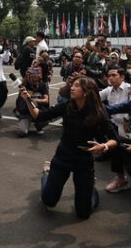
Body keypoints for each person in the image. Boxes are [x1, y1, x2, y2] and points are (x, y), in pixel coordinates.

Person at [21, 76, 119, 219]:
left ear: (86, 92)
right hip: (63, 155)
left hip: (84, 159)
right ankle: (47, 174)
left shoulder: (98, 112)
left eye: (77, 86)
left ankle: (90, 189)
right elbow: (38, 115)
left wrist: (103, 146)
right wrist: (27, 99)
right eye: (72, 85)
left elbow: (114, 140)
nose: (72, 87)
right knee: (49, 201)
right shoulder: (68, 105)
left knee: (83, 213)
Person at [14, 66, 50, 137]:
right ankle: (24, 122)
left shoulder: (43, 85)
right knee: (21, 132)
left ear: (41, 75)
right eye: (34, 72)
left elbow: (46, 100)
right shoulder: (26, 84)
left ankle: (39, 126)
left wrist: (35, 100)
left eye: (38, 73)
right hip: (26, 113)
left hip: (37, 111)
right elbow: (22, 85)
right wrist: (26, 76)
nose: (36, 75)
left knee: (46, 118)